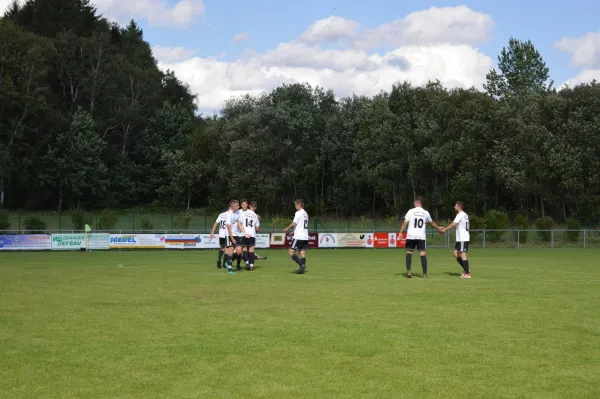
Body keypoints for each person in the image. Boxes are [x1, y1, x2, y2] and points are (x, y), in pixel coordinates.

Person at [398, 196, 444, 278]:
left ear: (416, 202)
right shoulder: (425, 212)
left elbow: (405, 222)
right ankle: (425, 274)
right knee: (422, 254)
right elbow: (432, 223)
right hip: (421, 236)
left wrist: (401, 232)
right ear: (421, 203)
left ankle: (409, 272)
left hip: (411, 236)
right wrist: (438, 229)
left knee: (409, 253)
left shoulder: (410, 211)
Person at [442, 201, 471, 278]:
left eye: (455, 206)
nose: (454, 207)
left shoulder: (460, 214)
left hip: (462, 237)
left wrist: (445, 229)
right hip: (460, 238)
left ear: (459, 207)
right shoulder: (465, 215)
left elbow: (453, 224)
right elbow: (468, 225)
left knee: (462, 254)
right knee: (455, 254)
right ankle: (466, 269)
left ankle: (467, 273)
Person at [284, 199, 309, 274]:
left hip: (298, 237)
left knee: (291, 252)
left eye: (295, 205)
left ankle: (301, 265)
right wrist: (294, 231)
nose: (295, 206)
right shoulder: (305, 213)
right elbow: (301, 225)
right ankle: (302, 268)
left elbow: (294, 223)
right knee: (302, 252)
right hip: (305, 236)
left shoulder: (298, 213)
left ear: (299, 205)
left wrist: (287, 228)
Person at [238, 201, 260, 270]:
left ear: (249, 206)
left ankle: (247, 262)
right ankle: (251, 265)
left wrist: (244, 232)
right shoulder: (256, 216)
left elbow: (239, 223)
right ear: (255, 208)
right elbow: (257, 229)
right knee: (251, 250)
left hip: (245, 233)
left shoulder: (244, 213)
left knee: (244, 249)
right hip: (252, 234)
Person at [223, 199, 239, 274]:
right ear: (232, 206)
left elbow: (239, 224)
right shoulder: (229, 214)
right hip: (230, 235)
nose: (238, 206)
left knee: (239, 251)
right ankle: (230, 269)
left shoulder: (237, 213)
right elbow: (229, 227)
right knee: (231, 252)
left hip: (236, 234)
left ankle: (228, 263)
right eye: (237, 205)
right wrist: (232, 238)